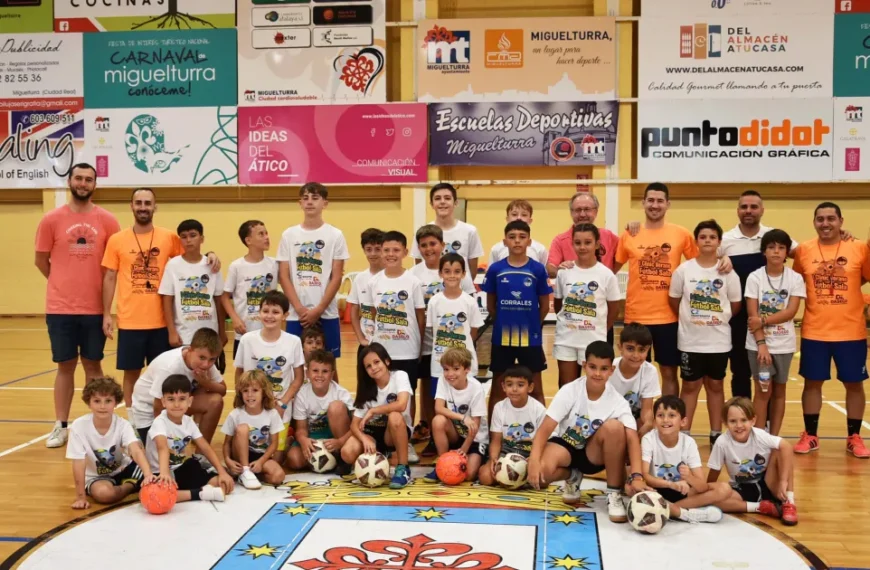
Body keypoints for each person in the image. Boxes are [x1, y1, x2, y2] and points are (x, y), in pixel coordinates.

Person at [101, 187, 219, 406]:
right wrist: (107, 314)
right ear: (132, 206)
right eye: (139, 203)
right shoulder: (117, 240)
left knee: (166, 375)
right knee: (131, 373)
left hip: (162, 323)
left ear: (155, 207)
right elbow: (109, 277)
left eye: (148, 203)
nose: (143, 207)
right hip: (130, 320)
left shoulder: (169, 237)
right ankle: (133, 417)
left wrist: (211, 254)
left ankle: (167, 417)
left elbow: (192, 255)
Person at [35, 163, 121, 448]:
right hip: (60, 309)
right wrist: (62, 282)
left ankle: (97, 427)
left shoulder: (108, 220)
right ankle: (61, 425)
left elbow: (113, 267)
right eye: (78, 178)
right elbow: (41, 261)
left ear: (95, 184)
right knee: (65, 366)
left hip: (95, 309)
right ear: (70, 181)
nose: (83, 183)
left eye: (88, 179)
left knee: (93, 365)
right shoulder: (51, 219)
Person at [528, 341, 648, 522]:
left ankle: (613, 493)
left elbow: (632, 438)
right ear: (584, 366)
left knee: (615, 428)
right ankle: (573, 475)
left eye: (604, 368)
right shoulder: (570, 390)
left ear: (611, 370)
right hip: (566, 447)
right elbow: (544, 429)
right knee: (540, 475)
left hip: (593, 454)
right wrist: (534, 461)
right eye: (593, 367)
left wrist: (637, 476)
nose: (598, 373)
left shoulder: (617, 401)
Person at [792, 202, 870, 458]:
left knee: (854, 384)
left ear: (841, 221)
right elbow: (798, 282)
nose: (825, 224)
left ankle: (854, 437)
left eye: (831, 219)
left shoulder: (859, 248)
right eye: (820, 219)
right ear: (814, 222)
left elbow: (862, 278)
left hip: (851, 331)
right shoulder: (804, 250)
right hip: (815, 331)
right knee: (812, 384)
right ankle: (811, 435)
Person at [615, 183, 704, 398]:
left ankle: (668, 417)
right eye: (651, 200)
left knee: (668, 371)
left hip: (669, 317)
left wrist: (725, 261)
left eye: (660, 201)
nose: (655, 205)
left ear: (667, 204)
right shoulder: (629, 234)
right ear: (643, 203)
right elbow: (610, 269)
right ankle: (635, 419)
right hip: (636, 316)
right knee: (633, 371)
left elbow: (702, 264)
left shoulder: (681, 234)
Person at [668, 220, 741, 444]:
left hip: (718, 341)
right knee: (689, 385)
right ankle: (684, 432)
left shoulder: (728, 272)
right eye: (703, 237)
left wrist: (719, 319)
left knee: (716, 385)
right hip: (691, 341)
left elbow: (735, 304)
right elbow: (674, 300)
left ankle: (716, 433)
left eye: (712, 237)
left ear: (719, 242)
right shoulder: (684, 270)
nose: (707, 240)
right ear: (696, 241)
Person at [410, 226, 477, 449]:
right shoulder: (419, 279)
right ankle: (433, 435)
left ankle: (472, 439)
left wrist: (462, 351)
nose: (451, 275)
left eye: (433, 243)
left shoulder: (467, 298)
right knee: (435, 394)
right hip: (433, 351)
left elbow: (473, 328)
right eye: (424, 244)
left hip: (460, 355)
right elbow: (427, 326)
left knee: (463, 394)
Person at [481, 220, 551, 419]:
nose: (517, 241)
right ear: (505, 242)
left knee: (535, 386)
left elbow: (544, 306)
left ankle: (539, 431)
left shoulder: (537, 269)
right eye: (512, 237)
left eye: (522, 237)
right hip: (502, 339)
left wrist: (531, 326)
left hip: (531, 339)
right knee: (498, 387)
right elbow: (491, 305)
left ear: (529, 241)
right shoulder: (495, 269)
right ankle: (493, 432)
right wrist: (504, 321)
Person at [368, 230, 425, 464]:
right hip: (383, 351)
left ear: (405, 252)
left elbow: (419, 316)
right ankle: (385, 441)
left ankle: (406, 441)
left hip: (408, 350)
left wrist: (419, 346)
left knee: (406, 400)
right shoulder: (374, 282)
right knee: (383, 396)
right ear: (381, 252)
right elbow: (374, 314)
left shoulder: (413, 281)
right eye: (386, 250)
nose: (390, 254)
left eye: (395, 250)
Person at [277, 182, 350, 359]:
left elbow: (336, 276)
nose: (310, 202)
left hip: (326, 313)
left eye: (315, 198)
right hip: (296, 314)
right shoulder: (289, 235)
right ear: (299, 203)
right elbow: (284, 276)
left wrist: (319, 309)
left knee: (329, 364)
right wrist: (300, 308)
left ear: (325, 203)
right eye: (305, 198)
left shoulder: (335, 235)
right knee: (297, 364)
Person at [744, 229, 805, 436]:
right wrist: (761, 344)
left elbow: (790, 312)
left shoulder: (795, 278)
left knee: (780, 391)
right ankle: (758, 436)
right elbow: (752, 315)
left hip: (784, 346)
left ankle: (774, 437)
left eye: (781, 247)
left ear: (787, 252)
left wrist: (763, 320)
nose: (776, 252)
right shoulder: (755, 278)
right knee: (762, 391)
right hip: (759, 346)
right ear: (764, 251)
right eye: (771, 247)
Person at [234, 291, 305, 464]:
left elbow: (298, 378)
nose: (270, 316)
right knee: (243, 456)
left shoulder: (293, 341)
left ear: (285, 315)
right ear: (259, 313)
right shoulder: (247, 340)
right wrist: (242, 399)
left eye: (275, 312)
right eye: (265, 311)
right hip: (252, 406)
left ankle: (288, 440)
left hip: (280, 409)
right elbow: (239, 373)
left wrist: (283, 404)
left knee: (276, 461)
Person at [66, 377, 155, 509]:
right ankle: (131, 485)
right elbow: (78, 462)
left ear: (116, 403)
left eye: (108, 401)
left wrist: (148, 475)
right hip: (97, 477)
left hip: (124, 469)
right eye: (97, 401)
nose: (102, 406)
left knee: (154, 466)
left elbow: (135, 449)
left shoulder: (122, 424)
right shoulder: (79, 426)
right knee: (104, 494)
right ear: (89, 403)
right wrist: (80, 497)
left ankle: (139, 479)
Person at [707, 397, 798, 525]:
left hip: (768, 483)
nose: (739, 425)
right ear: (725, 423)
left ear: (753, 420)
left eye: (743, 420)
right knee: (712, 500)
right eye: (733, 421)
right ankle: (760, 507)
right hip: (741, 488)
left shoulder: (760, 435)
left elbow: (787, 446)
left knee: (780, 450)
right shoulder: (722, 442)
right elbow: (714, 471)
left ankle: (789, 501)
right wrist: (707, 492)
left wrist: (783, 481)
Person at [145, 375, 234, 503]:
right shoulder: (160, 422)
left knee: (222, 482)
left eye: (182, 399)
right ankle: (200, 494)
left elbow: (205, 447)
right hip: (159, 471)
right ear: (163, 402)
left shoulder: (188, 422)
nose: (176, 404)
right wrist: (165, 474)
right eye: (171, 399)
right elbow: (162, 448)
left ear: (190, 401)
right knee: (157, 496)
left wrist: (222, 472)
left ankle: (197, 491)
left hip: (180, 468)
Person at [641, 395, 728, 523]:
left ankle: (669, 510)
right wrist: (671, 484)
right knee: (630, 486)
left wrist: (689, 478)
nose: (665, 420)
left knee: (724, 489)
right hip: (655, 491)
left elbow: (702, 487)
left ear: (683, 422)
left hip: (681, 492)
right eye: (660, 415)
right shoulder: (649, 439)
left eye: (672, 415)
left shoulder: (689, 443)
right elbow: (645, 476)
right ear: (654, 421)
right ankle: (685, 513)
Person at [129, 328, 225, 444]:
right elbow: (158, 405)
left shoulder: (205, 363)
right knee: (164, 458)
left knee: (215, 400)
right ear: (190, 350)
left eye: (212, 359)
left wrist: (206, 383)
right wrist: (165, 436)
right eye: (202, 358)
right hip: (149, 412)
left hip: (175, 405)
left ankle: (201, 456)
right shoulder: (169, 367)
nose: (206, 364)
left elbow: (222, 389)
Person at [553, 223, 620, 387]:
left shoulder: (606, 275)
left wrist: (600, 328)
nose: (582, 247)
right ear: (572, 244)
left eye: (588, 242)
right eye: (578, 243)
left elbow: (614, 309)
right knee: (567, 387)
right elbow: (558, 305)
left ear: (597, 244)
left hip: (593, 339)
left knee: (594, 386)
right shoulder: (564, 272)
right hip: (566, 339)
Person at [341, 343, 414, 489]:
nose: (373, 368)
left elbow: (402, 405)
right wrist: (364, 439)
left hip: (393, 431)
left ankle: (403, 468)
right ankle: (375, 460)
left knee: (394, 416)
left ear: (386, 361)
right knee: (347, 452)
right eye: (368, 366)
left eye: (376, 362)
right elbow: (354, 425)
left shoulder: (400, 376)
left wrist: (374, 410)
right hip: (373, 433)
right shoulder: (366, 387)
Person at [159, 220, 227, 351]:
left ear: (202, 239)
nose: (188, 240)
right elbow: (167, 299)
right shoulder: (173, 265)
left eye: (193, 235)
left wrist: (222, 331)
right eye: (184, 237)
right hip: (183, 334)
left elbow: (219, 300)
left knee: (207, 368)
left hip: (209, 332)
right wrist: (172, 332)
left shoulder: (212, 264)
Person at [423, 348, 489, 483]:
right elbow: (438, 408)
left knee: (468, 475)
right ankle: (442, 465)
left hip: (475, 438)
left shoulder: (476, 388)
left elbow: (475, 426)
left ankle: (481, 458)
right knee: (438, 421)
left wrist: (463, 450)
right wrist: (462, 417)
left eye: (456, 369)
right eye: (446, 369)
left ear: (467, 369)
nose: (450, 374)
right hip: (457, 433)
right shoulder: (443, 380)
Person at [286, 350, 354, 474]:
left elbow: (356, 425)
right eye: (315, 370)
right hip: (313, 438)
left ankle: (341, 456)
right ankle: (324, 460)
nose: (320, 375)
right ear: (307, 373)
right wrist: (303, 440)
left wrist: (340, 442)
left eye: (325, 371)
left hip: (335, 438)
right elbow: (301, 428)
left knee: (336, 407)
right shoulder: (302, 394)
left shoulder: (340, 393)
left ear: (332, 374)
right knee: (294, 459)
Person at [479, 365, 546, 487]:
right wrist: (493, 459)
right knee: (485, 477)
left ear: (530, 387)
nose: (514, 389)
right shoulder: (499, 407)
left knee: (543, 480)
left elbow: (544, 441)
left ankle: (519, 478)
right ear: (503, 387)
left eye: (520, 385)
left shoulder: (538, 409)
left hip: (529, 454)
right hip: (506, 452)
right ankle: (517, 479)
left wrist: (534, 460)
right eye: (509, 385)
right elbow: (496, 440)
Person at [221, 220, 278, 359]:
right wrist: (235, 319)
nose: (266, 237)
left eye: (266, 233)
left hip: (269, 331)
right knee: (243, 374)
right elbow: (224, 296)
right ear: (248, 240)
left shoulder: (275, 264)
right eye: (261, 234)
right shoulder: (237, 266)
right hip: (245, 331)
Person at [221, 370, 286, 489]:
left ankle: (251, 475)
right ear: (240, 393)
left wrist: (261, 461)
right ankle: (244, 471)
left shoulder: (272, 414)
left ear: (264, 392)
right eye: (245, 391)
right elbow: (227, 443)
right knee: (243, 428)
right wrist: (227, 460)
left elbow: (274, 444)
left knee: (278, 476)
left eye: (255, 390)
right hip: (239, 456)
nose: (250, 395)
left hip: (260, 456)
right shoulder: (235, 414)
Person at [411, 183, 484, 278]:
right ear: (432, 204)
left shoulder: (470, 231)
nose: (442, 202)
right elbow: (419, 265)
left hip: (460, 289)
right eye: (437, 198)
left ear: (456, 203)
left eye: (447, 198)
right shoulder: (421, 232)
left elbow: (472, 271)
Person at [607, 323, 661, 438]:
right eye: (630, 349)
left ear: (648, 351)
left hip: (633, 419)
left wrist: (648, 424)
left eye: (641, 350)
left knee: (649, 425)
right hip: (610, 419)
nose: (636, 355)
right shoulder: (609, 369)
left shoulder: (650, 371)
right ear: (620, 347)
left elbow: (646, 409)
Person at [547, 192, 619, 276]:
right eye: (578, 210)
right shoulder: (560, 240)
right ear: (571, 212)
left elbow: (629, 252)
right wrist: (560, 270)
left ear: (596, 211)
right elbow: (550, 268)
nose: (582, 214)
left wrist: (633, 228)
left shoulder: (609, 236)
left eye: (587, 209)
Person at [348, 228, 385, 354]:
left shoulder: (391, 276)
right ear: (364, 250)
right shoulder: (360, 278)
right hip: (367, 343)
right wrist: (360, 338)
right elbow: (353, 309)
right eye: (369, 249)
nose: (373, 254)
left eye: (377, 249)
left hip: (389, 343)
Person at [488, 200, 548, 266]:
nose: (519, 218)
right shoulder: (496, 249)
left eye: (524, 215)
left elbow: (544, 273)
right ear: (507, 219)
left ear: (530, 220)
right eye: (514, 214)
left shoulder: (540, 249)